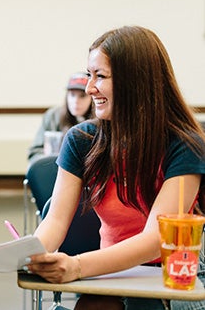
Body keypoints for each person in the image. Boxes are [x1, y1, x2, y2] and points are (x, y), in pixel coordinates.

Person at [23, 26, 205, 310]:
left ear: (135, 82)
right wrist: (30, 254)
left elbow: (156, 240)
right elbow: (55, 221)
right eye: (89, 75)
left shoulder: (184, 145)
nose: (88, 88)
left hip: (172, 272)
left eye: (101, 76)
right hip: (111, 270)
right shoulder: (81, 140)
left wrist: (77, 266)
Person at [28, 72, 93, 164]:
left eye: (82, 96)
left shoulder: (99, 120)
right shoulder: (53, 116)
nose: (76, 101)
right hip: (54, 171)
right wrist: (49, 160)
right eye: (72, 95)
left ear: (92, 98)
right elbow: (34, 154)